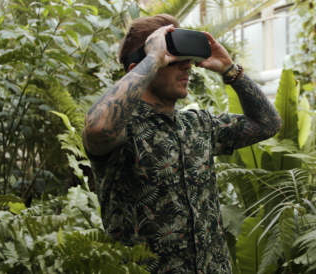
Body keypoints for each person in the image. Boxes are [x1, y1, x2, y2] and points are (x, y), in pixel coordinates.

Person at [82, 14, 282, 273]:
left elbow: (268, 124)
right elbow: (97, 126)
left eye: (188, 60)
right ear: (139, 69)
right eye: (175, 60)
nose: (187, 67)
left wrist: (230, 70)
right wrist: (154, 57)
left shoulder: (199, 124)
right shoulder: (123, 131)